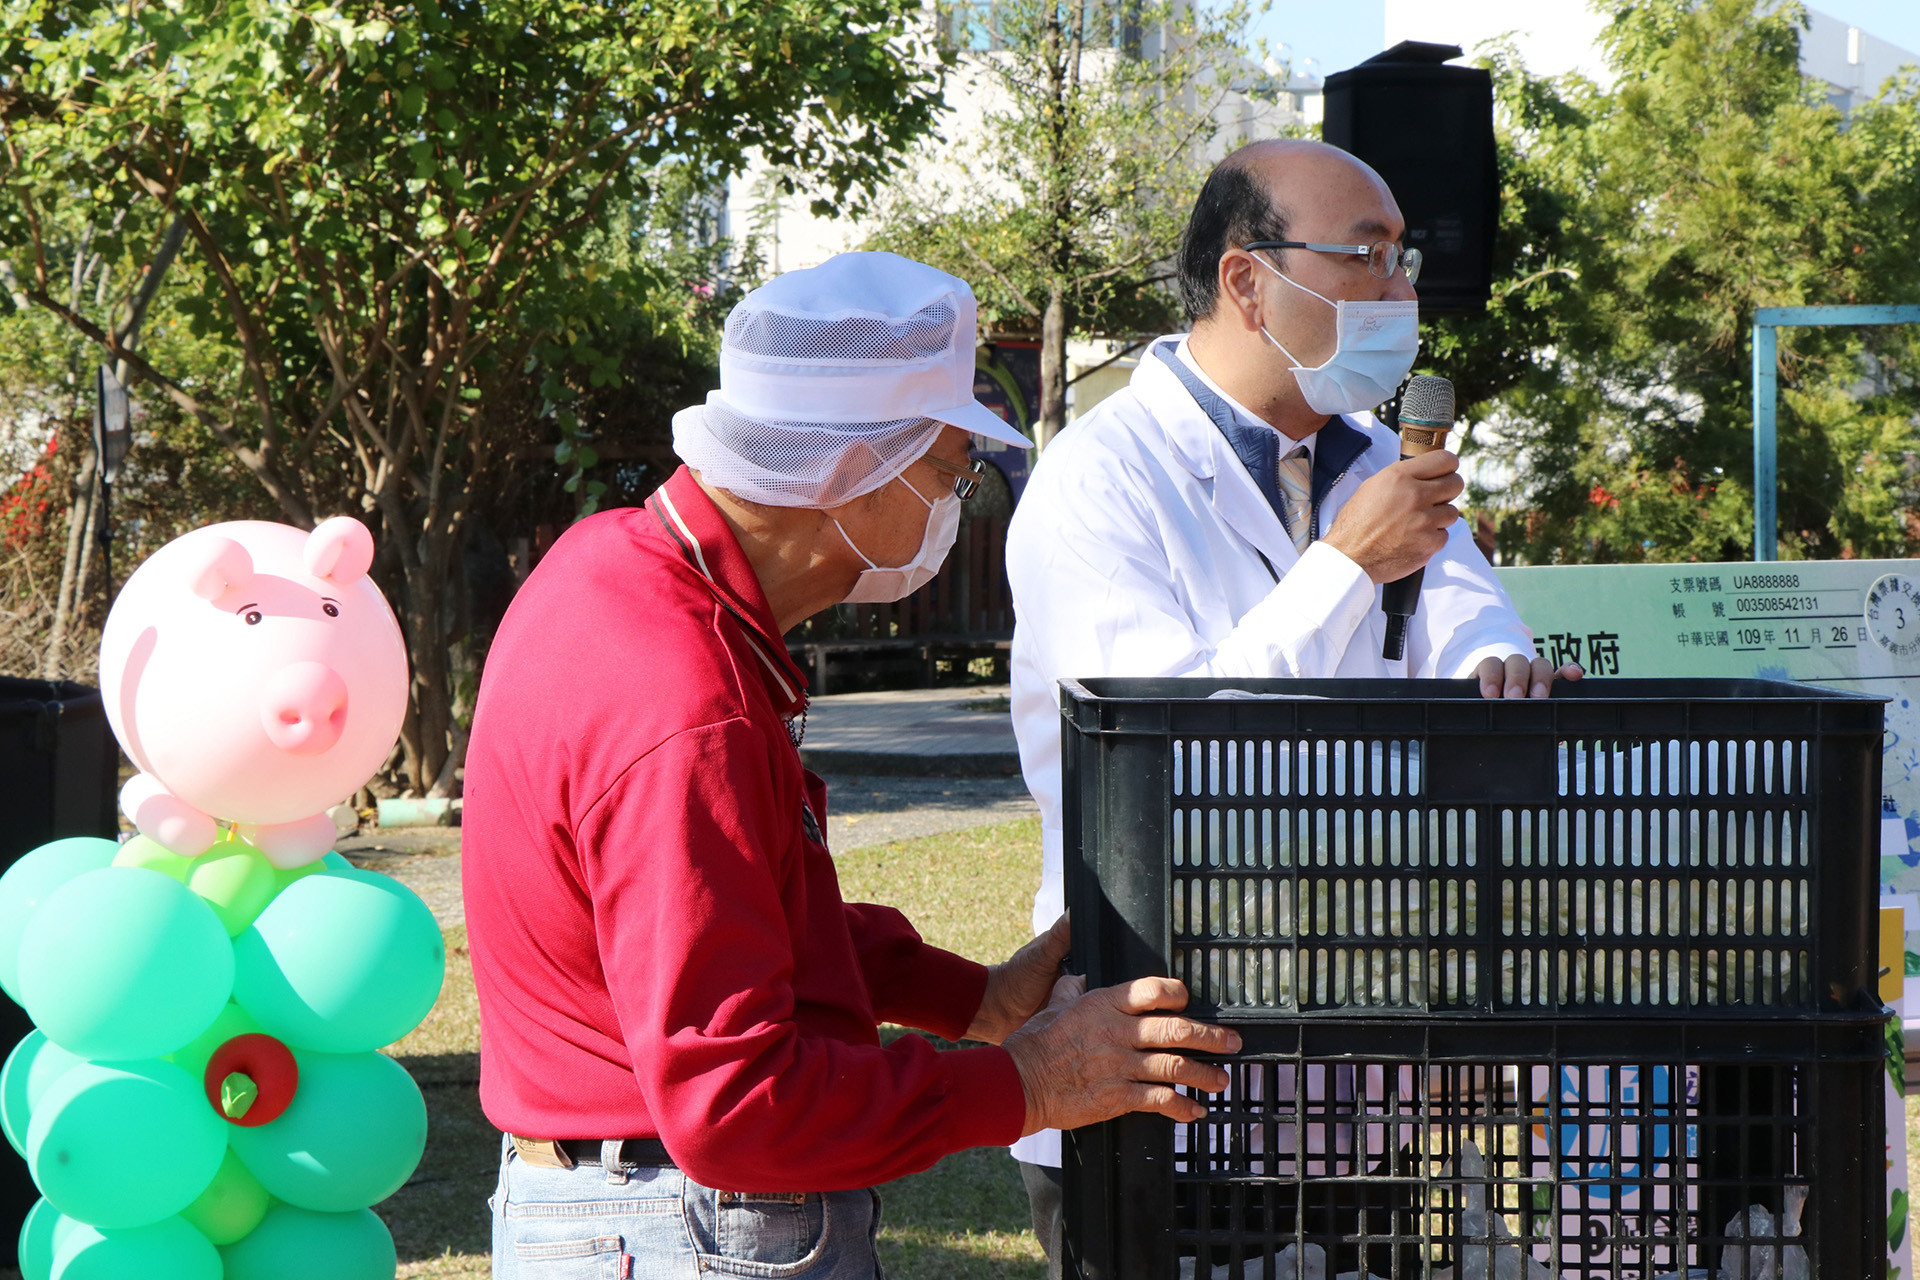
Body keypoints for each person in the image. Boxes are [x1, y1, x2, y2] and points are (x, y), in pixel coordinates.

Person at [462, 251, 1240, 1279]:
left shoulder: (618, 566)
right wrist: (1024, 1084)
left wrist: (980, 995)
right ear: (848, 476)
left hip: (618, 1204)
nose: (959, 500)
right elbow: (734, 1104)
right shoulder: (684, 696)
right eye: (951, 469)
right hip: (683, 1223)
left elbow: (750, 912)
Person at [1002, 139, 1582, 1270]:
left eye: (1405, 258)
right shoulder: (1103, 473)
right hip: (1158, 1058)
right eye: (1366, 256)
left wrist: (1500, 670)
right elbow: (1160, 757)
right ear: (1247, 280)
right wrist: (1345, 567)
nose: (1401, 292)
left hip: (1361, 1057)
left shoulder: (1378, 462)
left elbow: (1470, 622)